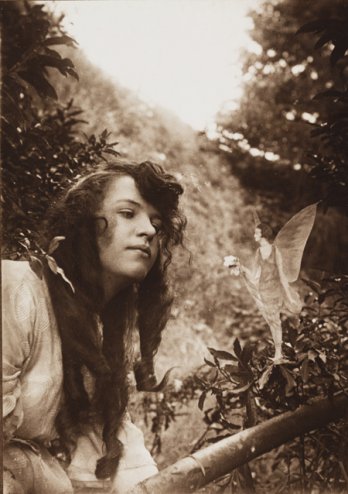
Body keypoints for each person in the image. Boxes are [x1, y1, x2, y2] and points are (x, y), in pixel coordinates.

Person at [2, 160, 187, 493]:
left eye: (156, 224)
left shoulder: (102, 328)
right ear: (84, 225)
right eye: (128, 214)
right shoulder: (16, 291)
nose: (148, 231)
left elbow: (107, 442)